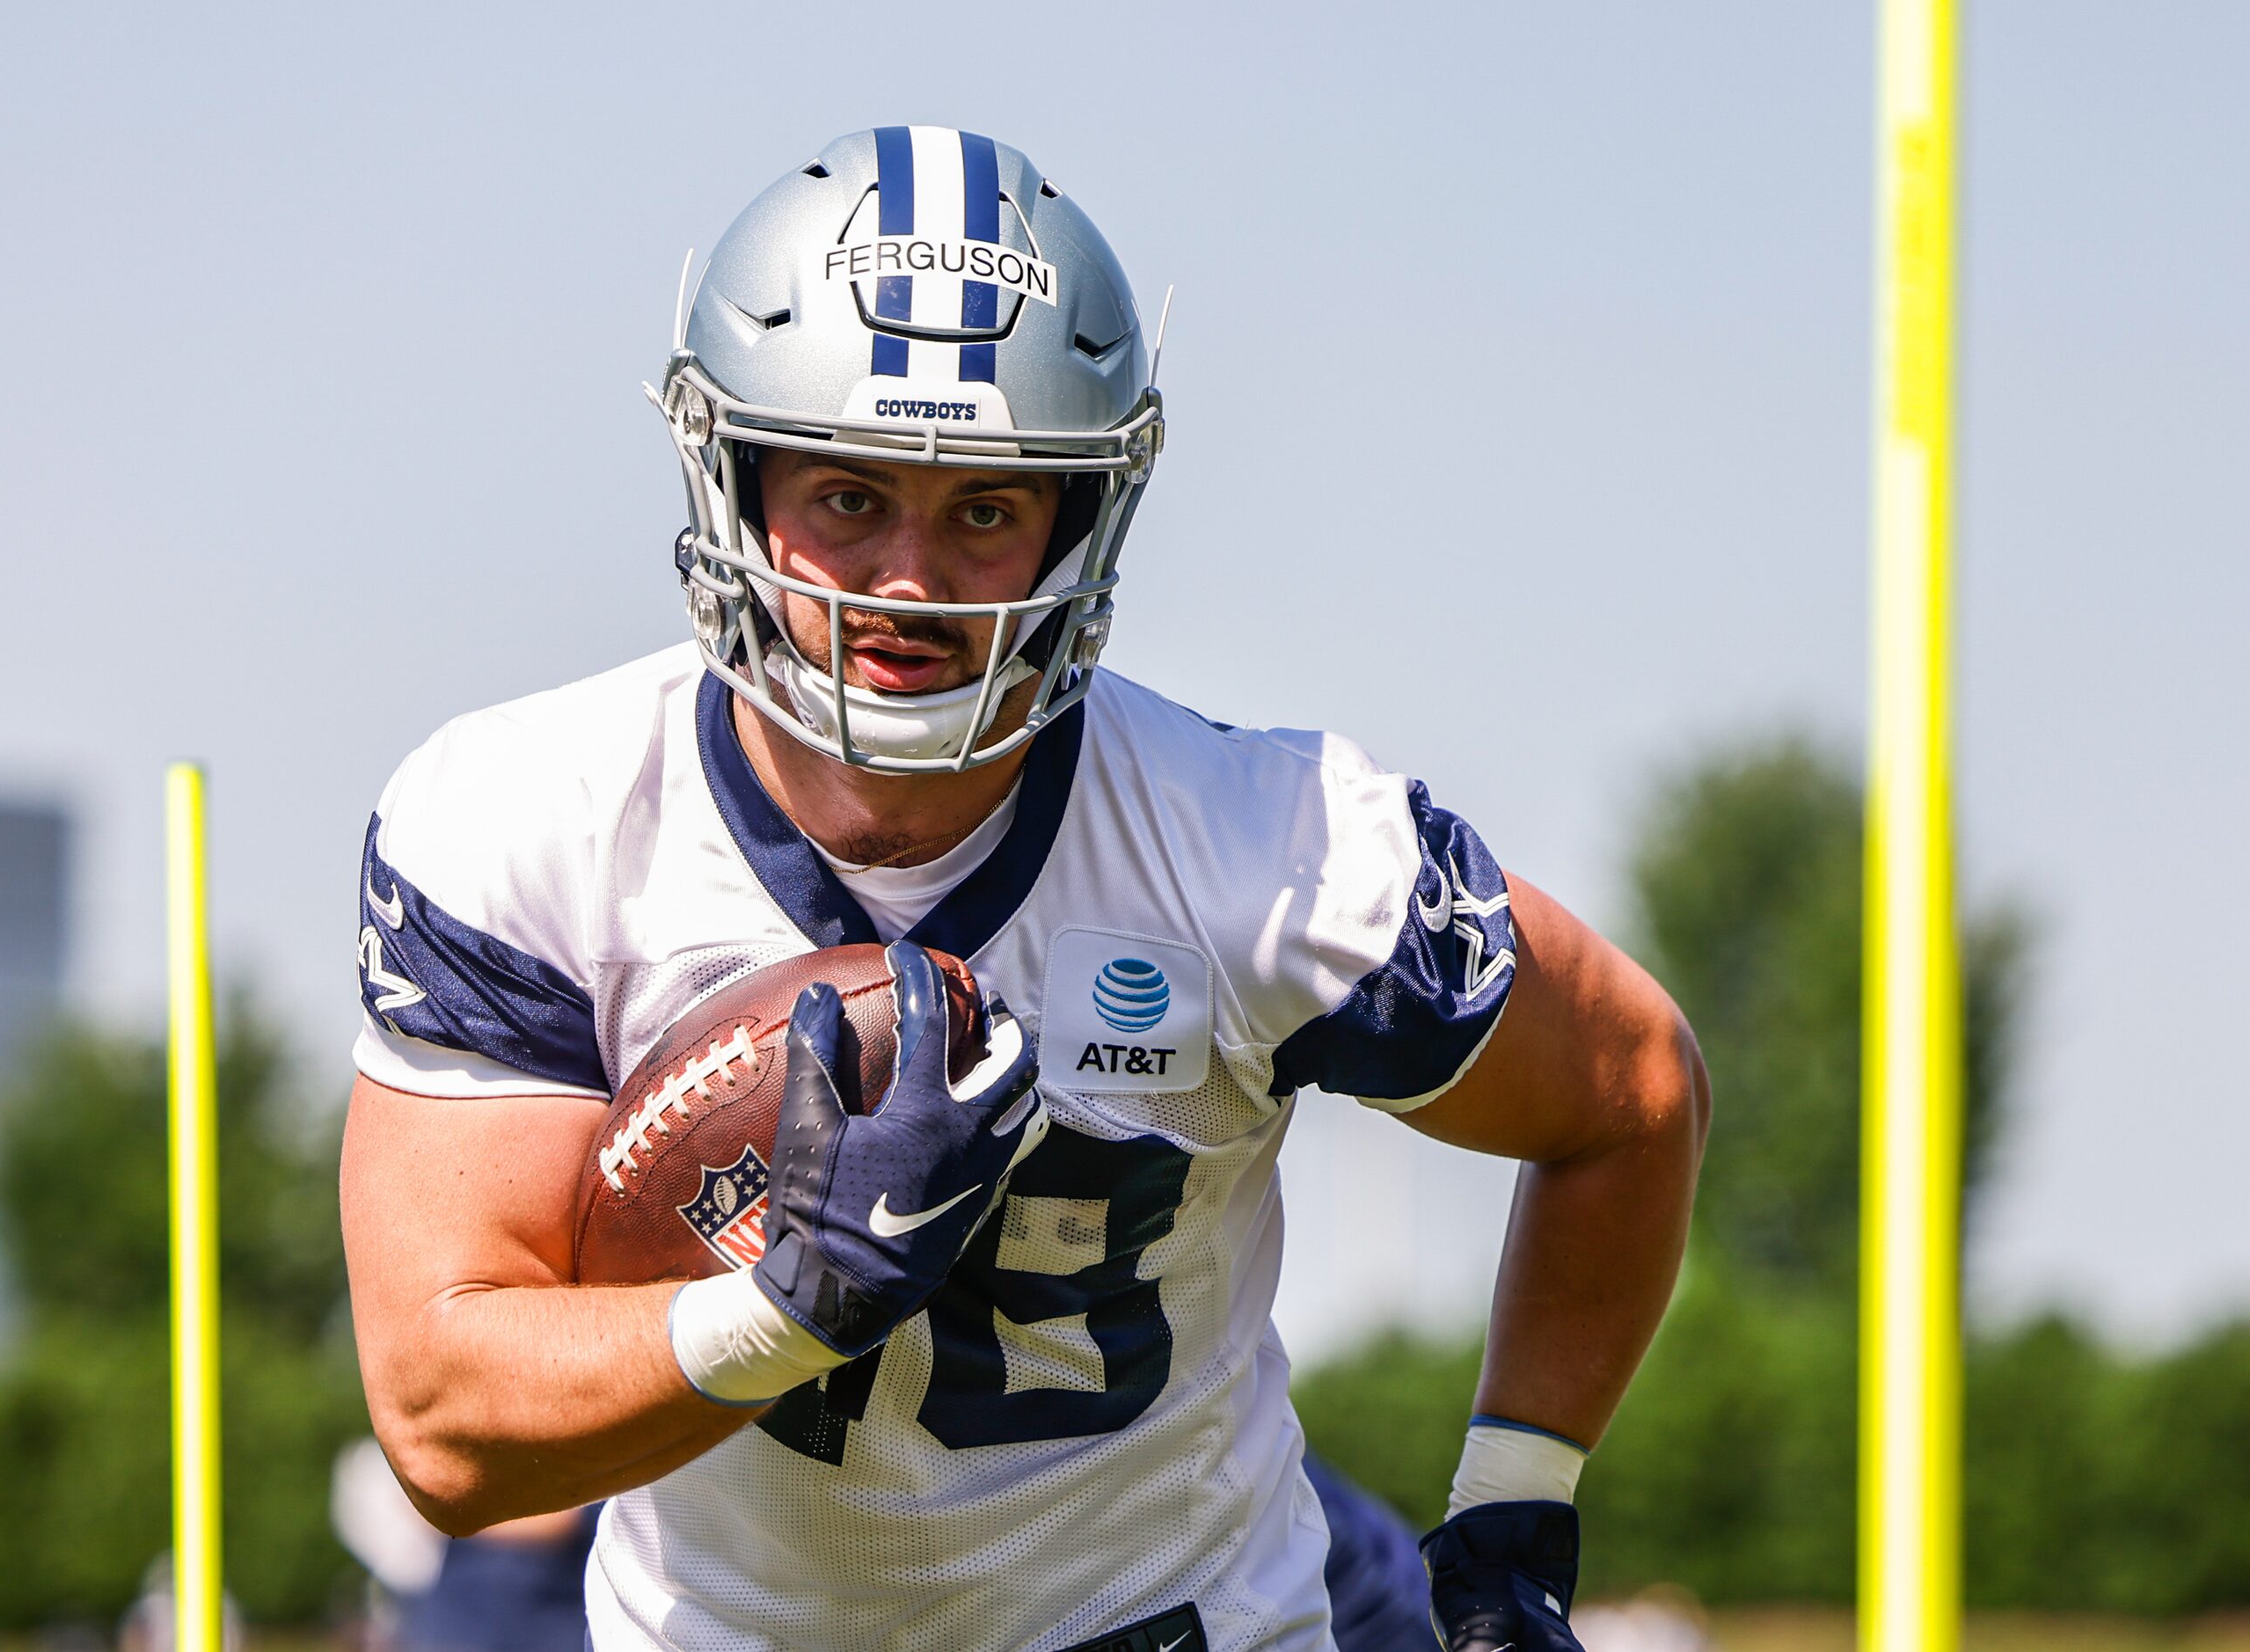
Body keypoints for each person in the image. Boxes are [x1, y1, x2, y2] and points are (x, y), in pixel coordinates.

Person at [340, 126, 1707, 1651]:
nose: (908, 580)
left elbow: (1628, 1089)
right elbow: (446, 1422)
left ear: (1079, 517)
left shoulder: (1267, 847)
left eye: (984, 508)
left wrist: (1514, 1515)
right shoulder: (538, 821)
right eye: (847, 495)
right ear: (733, 477)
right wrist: (786, 1307)